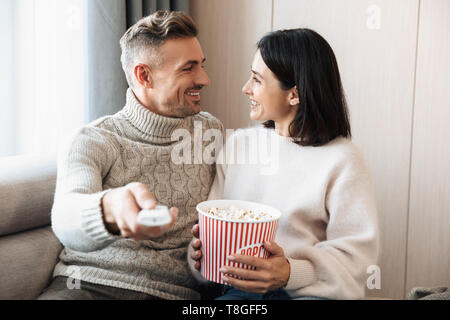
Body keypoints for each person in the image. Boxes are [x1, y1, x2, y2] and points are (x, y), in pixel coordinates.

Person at [38, 10, 223, 300]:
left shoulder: (211, 131)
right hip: (87, 285)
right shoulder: (94, 139)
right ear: (144, 75)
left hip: (175, 294)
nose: (204, 79)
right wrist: (109, 211)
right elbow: (66, 217)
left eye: (201, 65)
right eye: (188, 68)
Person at [189, 28, 379, 300]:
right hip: (235, 288)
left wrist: (290, 272)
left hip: (305, 294)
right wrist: (199, 254)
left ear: (294, 95)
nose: (246, 88)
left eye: (257, 80)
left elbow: (356, 261)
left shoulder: (342, 159)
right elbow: (213, 224)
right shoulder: (239, 145)